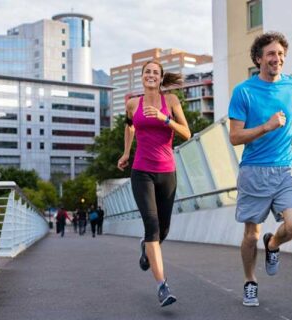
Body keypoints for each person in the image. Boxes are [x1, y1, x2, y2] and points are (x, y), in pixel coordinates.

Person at [228, 32, 292, 307]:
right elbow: (235, 137)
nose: (277, 59)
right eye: (271, 54)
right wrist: (266, 127)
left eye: (281, 54)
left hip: (285, 169)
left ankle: (273, 245)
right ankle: (250, 281)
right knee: (251, 234)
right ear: (259, 58)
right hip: (254, 171)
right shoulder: (243, 92)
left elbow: (290, 119)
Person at [117, 60, 191, 307]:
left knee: (164, 229)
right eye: (147, 72)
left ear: (160, 79)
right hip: (141, 172)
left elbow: (186, 133)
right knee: (152, 225)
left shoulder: (170, 102)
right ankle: (162, 286)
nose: (151, 75)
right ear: (142, 77)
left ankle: (146, 247)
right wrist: (126, 152)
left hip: (166, 171)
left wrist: (164, 118)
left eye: (155, 73)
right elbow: (129, 127)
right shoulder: (132, 104)